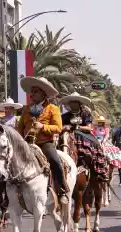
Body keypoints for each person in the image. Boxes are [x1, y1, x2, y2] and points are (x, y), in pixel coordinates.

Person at [17, 76, 69, 204]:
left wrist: (43, 126)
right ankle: (10, 194)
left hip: (45, 143)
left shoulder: (53, 109)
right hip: (27, 143)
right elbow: (19, 128)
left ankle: (62, 191)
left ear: (43, 93)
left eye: (35, 92)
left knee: (55, 161)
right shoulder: (26, 109)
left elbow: (58, 128)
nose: (31, 95)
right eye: (31, 91)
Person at [59, 92, 110, 180]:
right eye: (71, 102)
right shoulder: (64, 116)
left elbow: (89, 128)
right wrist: (65, 128)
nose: (72, 104)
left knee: (96, 143)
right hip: (68, 134)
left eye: (74, 102)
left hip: (83, 134)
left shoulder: (85, 113)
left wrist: (76, 127)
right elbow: (60, 126)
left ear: (79, 103)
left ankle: (98, 170)